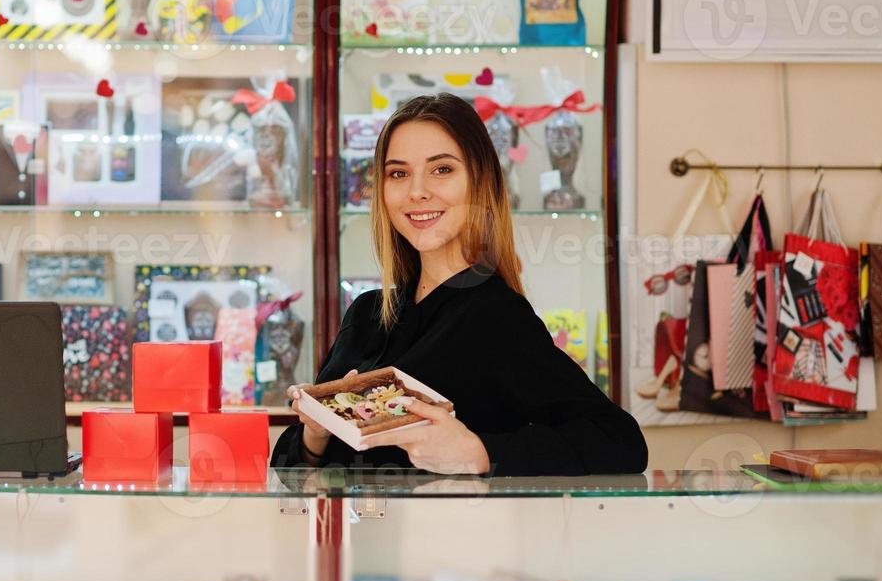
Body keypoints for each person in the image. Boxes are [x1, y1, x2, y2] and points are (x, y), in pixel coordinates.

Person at [271, 93, 647, 476]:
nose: (417, 191)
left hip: (450, 535)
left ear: (479, 181)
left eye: (442, 170)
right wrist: (315, 434)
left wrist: (479, 453)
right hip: (347, 535)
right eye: (398, 173)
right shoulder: (366, 312)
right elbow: (290, 471)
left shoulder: (495, 316)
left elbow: (619, 441)